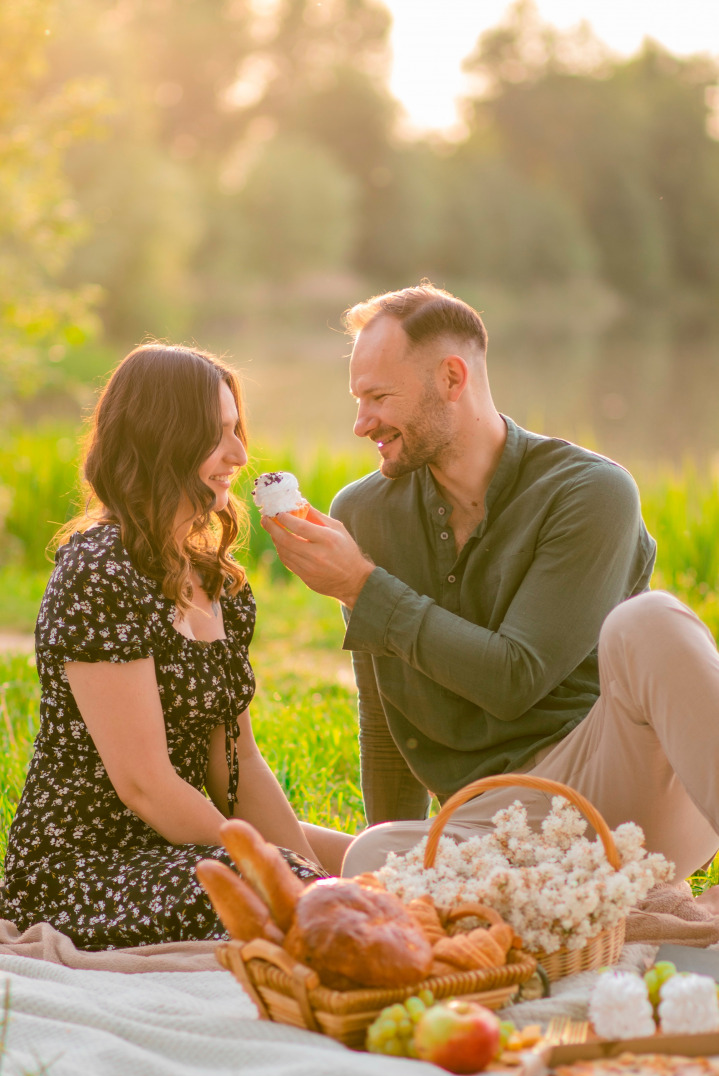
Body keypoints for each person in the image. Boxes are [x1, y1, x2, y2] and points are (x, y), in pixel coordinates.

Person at [262, 282, 719, 883]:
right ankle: (583, 905)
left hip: (615, 794)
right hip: (487, 826)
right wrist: (380, 876)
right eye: (357, 399)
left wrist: (363, 588)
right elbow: (385, 718)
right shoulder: (365, 514)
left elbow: (515, 677)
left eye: (377, 397)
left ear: (452, 379)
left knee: (652, 620)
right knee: (372, 858)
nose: (360, 423)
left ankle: (592, 891)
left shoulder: (588, 492)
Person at [0, 343, 352, 950]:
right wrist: (284, 876)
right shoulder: (99, 570)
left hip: (187, 849)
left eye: (237, 429)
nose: (240, 455)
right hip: (84, 872)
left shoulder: (216, 580)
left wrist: (314, 877)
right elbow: (145, 785)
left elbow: (237, 765)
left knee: (386, 864)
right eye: (218, 434)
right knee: (299, 893)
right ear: (163, 439)